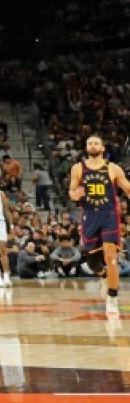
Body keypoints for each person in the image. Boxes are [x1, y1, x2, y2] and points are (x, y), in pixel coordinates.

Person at [68, 134, 130, 317]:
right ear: (86, 147)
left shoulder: (113, 168)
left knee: (110, 255)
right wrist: (74, 195)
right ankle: (103, 275)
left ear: (102, 148)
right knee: (93, 263)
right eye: (90, 143)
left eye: (96, 143)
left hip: (109, 215)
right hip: (89, 216)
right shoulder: (78, 168)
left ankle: (112, 297)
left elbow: (127, 187)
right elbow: (72, 191)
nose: (93, 145)